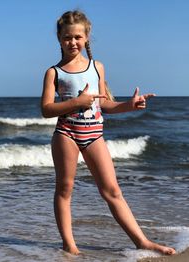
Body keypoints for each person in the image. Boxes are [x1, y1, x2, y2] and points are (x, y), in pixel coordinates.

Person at [40, 10, 176, 256]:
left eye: (77, 37)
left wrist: (129, 106)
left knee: (112, 191)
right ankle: (69, 244)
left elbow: (104, 105)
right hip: (66, 134)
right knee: (64, 189)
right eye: (67, 37)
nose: (73, 42)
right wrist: (76, 102)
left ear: (86, 37)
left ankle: (142, 242)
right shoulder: (54, 72)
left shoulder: (97, 67)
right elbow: (46, 110)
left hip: (94, 134)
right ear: (59, 38)